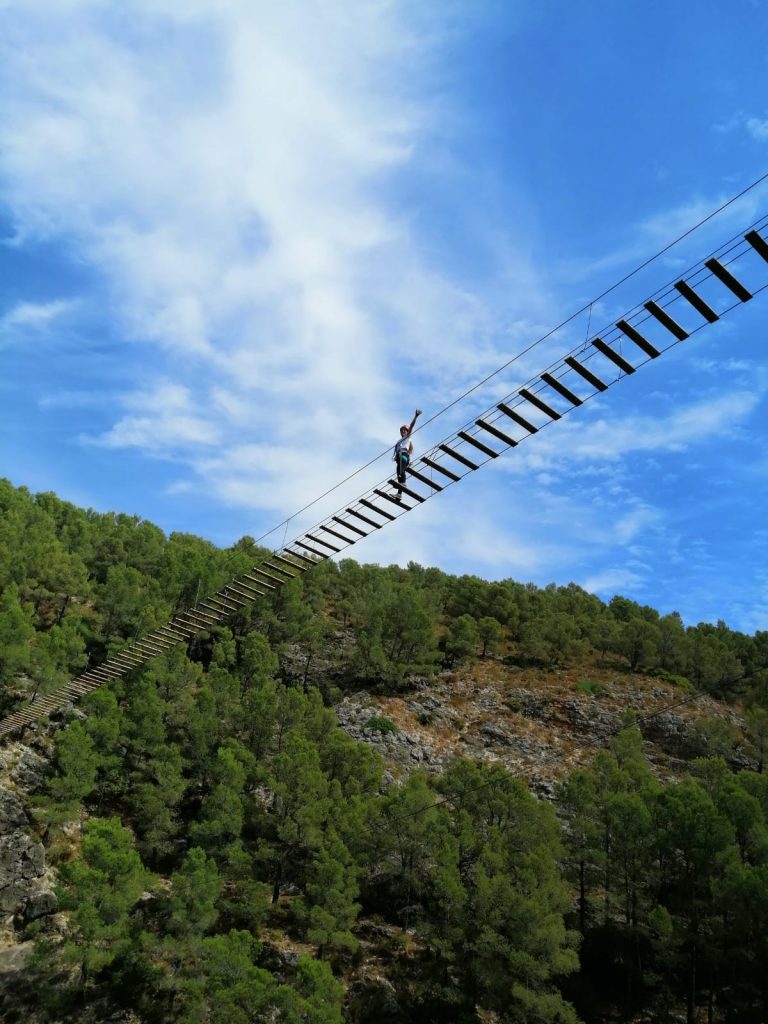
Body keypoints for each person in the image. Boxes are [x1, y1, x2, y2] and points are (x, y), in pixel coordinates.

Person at [393, 408, 422, 497]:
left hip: (403, 455)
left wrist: (416, 416)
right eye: (402, 430)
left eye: (405, 430)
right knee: (399, 475)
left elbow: (412, 426)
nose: (403, 431)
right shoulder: (399, 441)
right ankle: (399, 494)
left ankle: (404, 483)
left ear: (407, 431)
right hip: (399, 457)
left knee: (401, 471)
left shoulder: (407, 437)